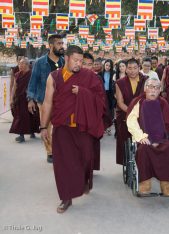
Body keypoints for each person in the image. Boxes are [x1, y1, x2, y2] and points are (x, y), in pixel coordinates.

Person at [40, 45, 106, 213]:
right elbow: (47, 103)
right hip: (62, 127)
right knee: (63, 164)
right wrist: (43, 126)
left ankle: (84, 181)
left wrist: (83, 92)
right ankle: (66, 197)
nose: (79, 64)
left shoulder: (89, 77)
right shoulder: (53, 77)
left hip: (83, 126)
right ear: (67, 59)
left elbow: (101, 100)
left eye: (81, 61)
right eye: (76, 60)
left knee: (85, 159)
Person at [126, 77, 169, 196]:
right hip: (144, 138)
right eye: (150, 86)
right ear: (145, 88)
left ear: (160, 90)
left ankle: (166, 184)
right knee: (143, 150)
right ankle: (145, 184)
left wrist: (162, 136)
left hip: (161, 138)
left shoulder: (163, 102)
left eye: (156, 87)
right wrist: (141, 137)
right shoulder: (138, 102)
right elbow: (131, 121)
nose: (153, 90)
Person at [27, 34, 65, 163]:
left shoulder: (64, 62)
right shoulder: (40, 62)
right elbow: (33, 81)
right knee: (47, 127)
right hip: (43, 100)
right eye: (59, 44)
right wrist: (30, 99)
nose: (61, 46)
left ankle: (60, 149)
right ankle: (50, 152)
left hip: (61, 101)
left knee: (60, 127)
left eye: (62, 43)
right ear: (51, 45)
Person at [115, 58, 147, 165]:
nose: (132, 71)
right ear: (126, 70)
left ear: (139, 68)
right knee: (125, 138)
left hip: (142, 113)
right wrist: (132, 113)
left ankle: (144, 160)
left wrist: (139, 113)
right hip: (125, 113)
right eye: (129, 68)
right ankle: (126, 161)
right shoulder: (119, 83)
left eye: (135, 68)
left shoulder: (145, 80)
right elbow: (120, 102)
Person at [9, 58, 40, 142]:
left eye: (22, 64)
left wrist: (34, 98)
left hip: (30, 98)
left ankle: (32, 131)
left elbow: (36, 86)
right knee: (20, 116)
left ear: (27, 65)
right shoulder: (17, 75)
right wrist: (11, 99)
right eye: (19, 64)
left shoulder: (32, 74)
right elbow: (14, 88)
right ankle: (21, 135)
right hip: (20, 99)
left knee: (32, 116)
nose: (20, 66)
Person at [102, 59, 115, 136]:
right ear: (104, 65)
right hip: (102, 94)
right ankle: (103, 127)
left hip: (110, 94)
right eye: (106, 65)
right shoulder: (100, 73)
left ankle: (109, 128)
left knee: (110, 111)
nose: (108, 67)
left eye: (109, 65)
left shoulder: (113, 74)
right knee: (103, 110)